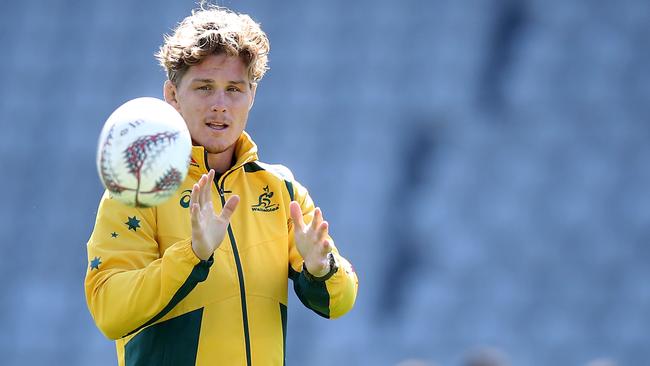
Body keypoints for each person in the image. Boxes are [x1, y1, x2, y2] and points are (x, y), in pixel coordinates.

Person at [84, 4, 358, 365]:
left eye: (234, 89)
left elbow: (339, 302)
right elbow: (110, 311)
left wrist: (321, 269)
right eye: (204, 87)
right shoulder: (140, 188)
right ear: (172, 95)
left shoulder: (281, 190)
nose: (220, 105)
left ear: (252, 95)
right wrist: (192, 255)